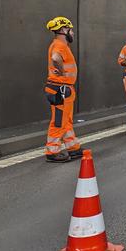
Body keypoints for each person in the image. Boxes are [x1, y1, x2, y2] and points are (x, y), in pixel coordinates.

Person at [44, 16, 83, 163]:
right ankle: (52, 151)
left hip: (62, 88)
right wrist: (62, 72)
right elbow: (55, 58)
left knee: (66, 120)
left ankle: (73, 148)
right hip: (61, 88)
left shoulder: (60, 45)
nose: (72, 33)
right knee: (59, 121)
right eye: (70, 30)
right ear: (63, 30)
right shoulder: (60, 46)